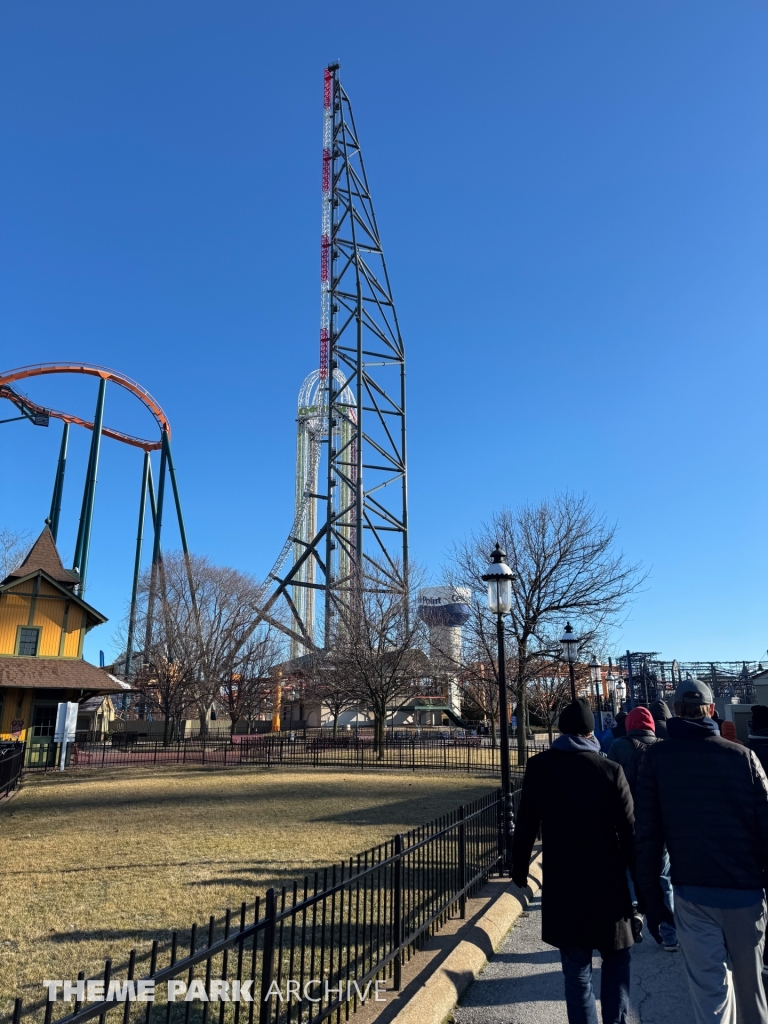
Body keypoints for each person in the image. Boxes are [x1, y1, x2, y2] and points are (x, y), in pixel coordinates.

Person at [635, 677, 768, 1024]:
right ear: (710, 710)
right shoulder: (743, 757)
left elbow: (648, 837)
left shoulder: (657, 759)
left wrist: (652, 901)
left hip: (692, 891)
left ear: (676, 711)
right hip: (745, 892)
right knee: (751, 990)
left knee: (710, 995)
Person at [512, 698, 635, 1024]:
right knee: (617, 958)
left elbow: (526, 822)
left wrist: (519, 867)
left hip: (564, 880)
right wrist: (642, 885)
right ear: (591, 732)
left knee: (577, 970)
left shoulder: (540, 767)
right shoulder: (610, 770)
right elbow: (630, 832)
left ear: (561, 730)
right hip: (608, 880)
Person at [607, 707, 678, 951]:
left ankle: (635, 913)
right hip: (659, 821)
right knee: (663, 876)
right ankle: (670, 933)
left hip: (628, 819)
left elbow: (611, 784)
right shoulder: (663, 748)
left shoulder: (618, 746)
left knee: (630, 870)